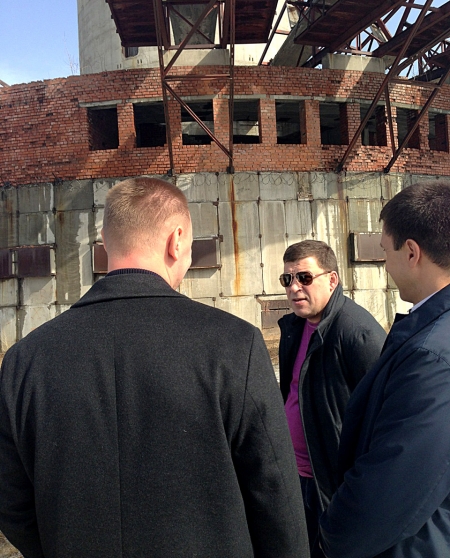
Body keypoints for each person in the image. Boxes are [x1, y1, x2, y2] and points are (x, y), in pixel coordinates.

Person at [0, 177, 310, 558]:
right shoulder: (234, 345)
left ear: (105, 240)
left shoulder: (25, 360)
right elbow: (277, 497)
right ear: (176, 240)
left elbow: (11, 502)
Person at [320, 181, 450, 558]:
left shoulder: (432, 355)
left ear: (411, 252)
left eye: (384, 250)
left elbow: (392, 487)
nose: (385, 263)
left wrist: (332, 533)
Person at [278, 240, 386, 557]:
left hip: (331, 486)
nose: (294, 288)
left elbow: (382, 420)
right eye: (287, 279)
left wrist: (356, 491)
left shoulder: (358, 333)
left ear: (332, 279)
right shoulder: (293, 328)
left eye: (304, 277)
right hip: (296, 477)